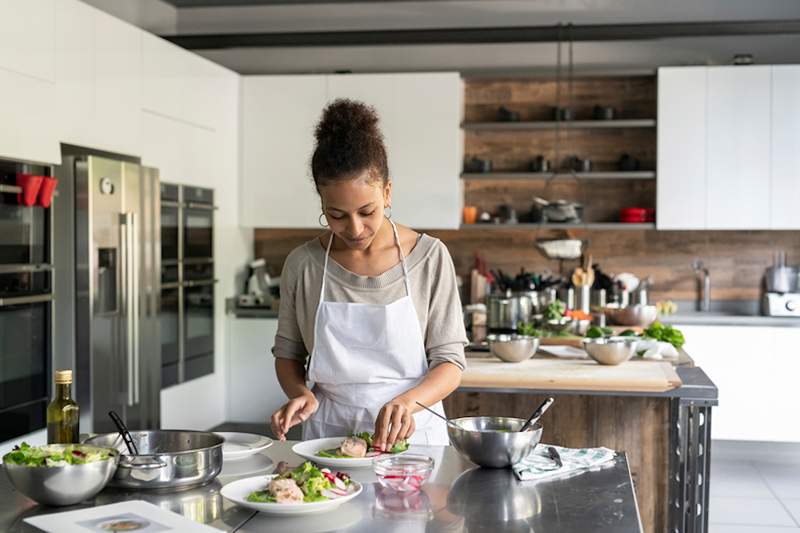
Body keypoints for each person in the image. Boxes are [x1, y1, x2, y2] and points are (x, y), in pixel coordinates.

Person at [269, 99, 467, 450]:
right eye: (337, 215)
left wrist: (408, 403)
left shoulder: (430, 257)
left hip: (414, 433)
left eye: (367, 211)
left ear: (387, 192)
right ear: (321, 204)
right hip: (328, 434)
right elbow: (288, 353)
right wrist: (300, 394)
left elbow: (450, 362)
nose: (355, 228)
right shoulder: (303, 264)